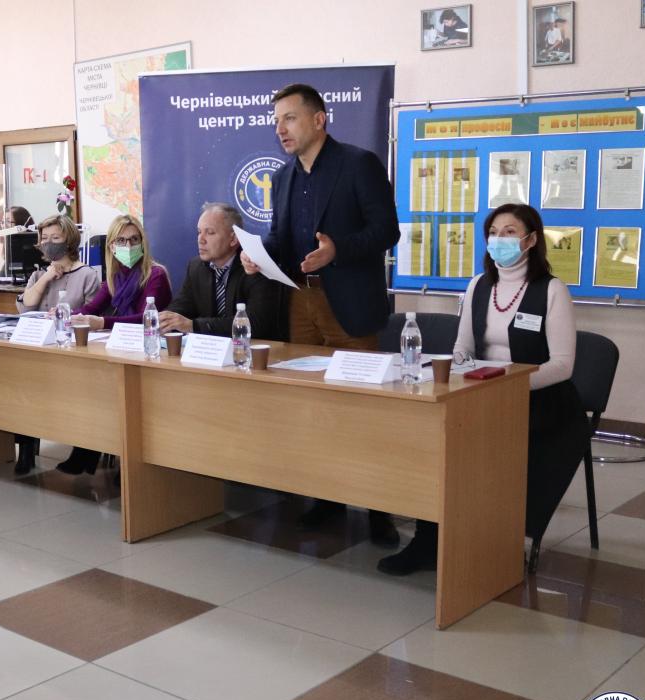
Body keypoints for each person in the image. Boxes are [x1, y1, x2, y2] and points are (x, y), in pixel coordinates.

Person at [378, 204, 590, 575]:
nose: (499, 239)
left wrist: (506, 387)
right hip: (483, 393)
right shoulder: (479, 285)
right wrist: (461, 368)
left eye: (509, 232)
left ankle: (499, 542)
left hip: (542, 402)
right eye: (493, 232)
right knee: (437, 442)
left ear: (531, 240)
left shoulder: (552, 290)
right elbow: (463, 347)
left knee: (486, 450)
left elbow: (562, 365)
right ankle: (429, 540)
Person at [242, 83, 400, 544]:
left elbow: (386, 230)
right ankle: (328, 498)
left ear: (318, 119)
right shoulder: (283, 178)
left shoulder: (358, 164)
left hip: (348, 303)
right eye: (276, 121)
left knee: (362, 409)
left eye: (289, 119)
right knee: (314, 407)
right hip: (301, 302)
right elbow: (281, 239)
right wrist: (257, 256)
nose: (281, 129)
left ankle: (379, 510)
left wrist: (338, 251)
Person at [58, 214, 172, 475]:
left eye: (134, 239)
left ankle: (124, 460)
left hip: (152, 352)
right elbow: (91, 308)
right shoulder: (115, 276)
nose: (128, 246)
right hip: (124, 347)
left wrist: (102, 322)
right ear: (111, 246)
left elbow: (146, 319)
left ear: (143, 242)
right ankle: (89, 446)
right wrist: (65, 314)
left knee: (114, 388)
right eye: (121, 240)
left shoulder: (155, 274)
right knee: (92, 382)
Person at [14, 215, 102, 474]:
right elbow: (26, 306)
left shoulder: (87, 275)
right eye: (44, 238)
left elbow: (94, 315)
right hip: (40, 350)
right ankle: (26, 448)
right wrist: (47, 277)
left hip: (73, 352)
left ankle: (84, 448)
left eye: (55, 237)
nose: (49, 243)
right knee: (21, 385)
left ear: (69, 240)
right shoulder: (38, 274)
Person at [159, 202, 280, 339]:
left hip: (254, 348)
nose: (201, 240)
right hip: (211, 349)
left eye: (210, 232)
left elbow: (256, 324)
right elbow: (182, 306)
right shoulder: (196, 267)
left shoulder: (254, 267)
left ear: (233, 239)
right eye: (199, 232)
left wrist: (194, 326)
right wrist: (165, 320)